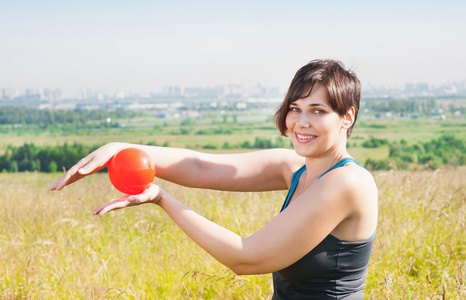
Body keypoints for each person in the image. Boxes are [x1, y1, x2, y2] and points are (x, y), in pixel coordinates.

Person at [49, 59, 378, 299]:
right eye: (295, 108)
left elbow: (246, 257)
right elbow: (199, 167)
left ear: (346, 117)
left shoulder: (348, 183)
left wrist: (162, 198)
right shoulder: (296, 168)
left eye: (318, 110)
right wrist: (122, 147)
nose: (301, 122)